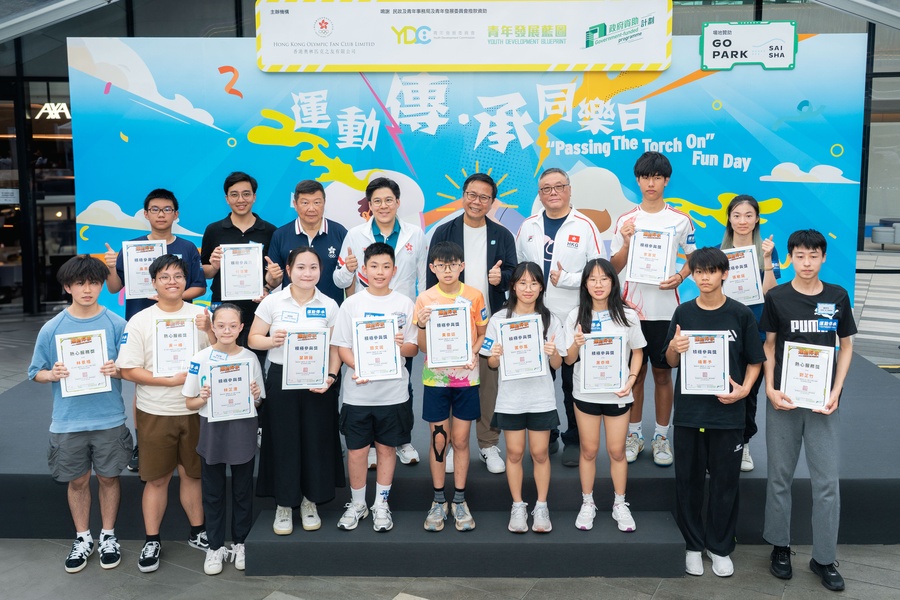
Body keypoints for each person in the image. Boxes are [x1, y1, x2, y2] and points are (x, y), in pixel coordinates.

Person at [761, 229, 856, 592]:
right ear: (791, 257)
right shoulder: (778, 297)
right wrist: (770, 388)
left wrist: (836, 390)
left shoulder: (837, 296)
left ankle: (825, 558)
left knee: (827, 483)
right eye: (799, 256)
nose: (806, 263)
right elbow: (769, 345)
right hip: (784, 400)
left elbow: (846, 346)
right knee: (779, 477)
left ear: (823, 257)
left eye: (813, 256)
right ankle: (780, 547)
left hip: (822, 404)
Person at [664, 247, 765, 578]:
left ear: (724, 274)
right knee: (688, 483)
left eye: (711, 271)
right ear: (692, 275)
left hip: (727, 415)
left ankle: (719, 547)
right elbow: (670, 361)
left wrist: (745, 390)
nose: (704, 278)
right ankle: (693, 546)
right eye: (698, 272)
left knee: (725, 484)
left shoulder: (740, 314)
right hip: (690, 414)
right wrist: (674, 348)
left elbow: (755, 360)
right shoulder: (683, 312)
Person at [28, 255, 133, 573]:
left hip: (109, 418)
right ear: (67, 287)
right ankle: (83, 537)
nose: (87, 289)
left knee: (109, 478)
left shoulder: (117, 324)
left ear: (102, 286)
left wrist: (118, 370)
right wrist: (52, 374)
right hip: (68, 420)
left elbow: (132, 368)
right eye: (79, 283)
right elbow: (35, 372)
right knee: (77, 481)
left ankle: (108, 536)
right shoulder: (52, 328)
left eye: (94, 283)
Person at [116, 254, 214, 573]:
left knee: (192, 474)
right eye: (165, 277)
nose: (172, 282)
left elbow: (220, 354)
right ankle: (152, 540)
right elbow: (128, 369)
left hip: (195, 409)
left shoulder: (201, 315)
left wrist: (211, 330)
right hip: (156, 410)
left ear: (187, 281)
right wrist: (168, 381)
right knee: (156, 479)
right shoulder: (140, 320)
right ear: (153, 283)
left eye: (178, 276)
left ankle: (198, 532)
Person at [104, 188, 207, 473]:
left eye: (167, 209)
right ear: (146, 214)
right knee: (144, 384)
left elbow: (199, 286)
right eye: (155, 209)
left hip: (179, 324)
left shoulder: (188, 247)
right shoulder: (131, 247)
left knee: (184, 377)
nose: (161, 214)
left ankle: (189, 440)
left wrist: (171, 296)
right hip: (143, 322)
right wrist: (111, 267)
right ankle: (143, 443)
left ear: (176, 214)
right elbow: (114, 288)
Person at [248, 247, 345, 536]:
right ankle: (284, 503)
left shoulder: (329, 305)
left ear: (321, 271)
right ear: (289, 270)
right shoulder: (273, 301)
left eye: (313, 267)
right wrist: (272, 341)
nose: (307, 273)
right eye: (300, 267)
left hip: (318, 380)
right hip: (282, 379)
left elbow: (335, 348)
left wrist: (331, 377)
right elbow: (253, 339)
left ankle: (309, 501)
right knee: (284, 441)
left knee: (316, 440)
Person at [610, 152, 696, 467]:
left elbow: (693, 258)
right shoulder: (626, 220)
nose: (651, 183)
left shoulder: (680, 220)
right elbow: (613, 267)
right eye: (646, 177)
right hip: (631, 311)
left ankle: (661, 436)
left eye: (657, 177)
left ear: (666, 180)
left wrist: (680, 277)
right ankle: (634, 434)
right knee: (635, 376)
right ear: (637, 180)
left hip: (665, 311)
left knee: (662, 375)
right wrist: (626, 243)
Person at [515, 167, 606, 467]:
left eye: (558, 186)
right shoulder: (527, 226)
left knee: (571, 382)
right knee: (540, 381)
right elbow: (520, 270)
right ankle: (548, 433)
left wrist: (566, 280)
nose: (552, 192)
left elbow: (601, 273)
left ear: (569, 190)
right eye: (546, 188)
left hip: (574, 317)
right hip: (536, 318)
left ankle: (575, 439)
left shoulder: (586, 226)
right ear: (539, 194)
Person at [334, 177, 427, 467]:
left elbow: (423, 278)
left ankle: (402, 440)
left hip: (401, 316)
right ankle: (373, 445)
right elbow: (339, 279)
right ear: (369, 205)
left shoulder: (415, 234)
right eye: (377, 201)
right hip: (367, 321)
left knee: (402, 380)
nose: (383, 206)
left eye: (388, 200)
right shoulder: (355, 235)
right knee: (367, 377)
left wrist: (420, 313)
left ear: (398, 202)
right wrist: (348, 270)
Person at [427, 173, 516, 474]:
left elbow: (514, 273)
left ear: (492, 202)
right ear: (463, 196)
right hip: (449, 326)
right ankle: (455, 444)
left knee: (488, 386)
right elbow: (431, 278)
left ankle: (488, 444)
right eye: (472, 195)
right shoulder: (444, 231)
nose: (477, 202)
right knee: (454, 385)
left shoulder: (502, 235)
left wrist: (501, 278)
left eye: (484, 197)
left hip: (487, 323)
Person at [331, 242, 418, 532]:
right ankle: (358, 504)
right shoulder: (352, 303)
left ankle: (381, 503)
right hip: (358, 393)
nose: (380, 272)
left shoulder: (404, 304)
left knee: (387, 449)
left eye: (386, 267)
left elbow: (413, 348)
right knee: (357, 452)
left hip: (393, 394)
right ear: (364, 270)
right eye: (374, 266)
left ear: (395, 270)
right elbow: (342, 346)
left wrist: (400, 345)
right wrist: (359, 367)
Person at [481, 262, 563, 533]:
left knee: (540, 453)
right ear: (513, 286)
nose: (528, 289)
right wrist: (496, 355)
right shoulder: (499, 320)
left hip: (541, 397)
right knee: (514, 453)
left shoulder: (551, 320)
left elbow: (558, 363)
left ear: (541, 288)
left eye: (534, 283)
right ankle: (517, 506)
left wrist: (552, 352)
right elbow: (491, 363)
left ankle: (542, 506)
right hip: (511, 398)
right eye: (523, 283)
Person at [564, 258, 645, 533]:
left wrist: (631, 380)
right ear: (585, 284)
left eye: (604, 279)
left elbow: (638, 352)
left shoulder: (628, 315)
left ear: (613, 282)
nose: (598, 285)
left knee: (617, 451)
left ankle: (620, 503)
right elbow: (568, 360)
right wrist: (575, 344)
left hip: (618, 394)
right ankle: (588, 502)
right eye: (592, 279)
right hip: (586, 393)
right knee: (588, 450)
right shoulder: (576, 316)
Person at [183, 304, 265, 575]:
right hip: (212, 431)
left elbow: (259, 401)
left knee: (242, 491)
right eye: (221, 325)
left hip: (242, 429)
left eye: (232, 326)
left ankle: (240, 543)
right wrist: (203, 397)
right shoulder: (201, 358)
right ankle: (215, 546)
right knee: (213, 492)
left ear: (241, 328)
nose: (226, 330)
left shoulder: (250, 358)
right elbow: (189, 402)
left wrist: (255, 395)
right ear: (213, 327)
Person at [415, 241, 488, 532]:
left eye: (453, 265)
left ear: (462, 266)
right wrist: (422, 325)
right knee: (439, 441)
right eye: (442, 265)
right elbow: (422, 346)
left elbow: (482, 333)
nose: (448, 270)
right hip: (436, 380)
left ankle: (459, 499)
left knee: (460, 440)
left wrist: (473, 352)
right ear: (432, 268)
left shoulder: (474, 296)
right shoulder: (425, 299)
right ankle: (437, 500)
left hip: (466, 379)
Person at [720, 194, 780, 471]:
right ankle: (719, 444)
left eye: (748, 215)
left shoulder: (767, 250)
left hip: (755, 330)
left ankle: (743, 444)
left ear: (757, 219)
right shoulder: (718, 253)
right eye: (737, 215)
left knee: (749, 391)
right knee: (720, 388)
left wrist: (766, 259)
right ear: (729, 219)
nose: (742, 221)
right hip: (723, 333)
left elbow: (770, 293)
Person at [200, 171, 277, 351]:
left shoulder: (270, 231)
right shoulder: (213, 230)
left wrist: (268, 287)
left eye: (246, 194)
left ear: (254, 197)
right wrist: (214, 266)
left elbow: (275, 276)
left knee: (256, 361)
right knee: (222, 359)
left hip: (258, 310)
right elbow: (206, 272)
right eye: (234, 194)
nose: (240, 199)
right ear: (227, 199)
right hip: (223, 310)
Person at [267, 179, 348, 306]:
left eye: (317, 202)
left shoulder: (339, 232)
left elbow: (348, 277)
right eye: (305, 203)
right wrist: (272, 277)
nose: (311, 208)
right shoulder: (281, 235)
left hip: (331, 310)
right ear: (295, 204)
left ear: (324, 203)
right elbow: (274, 281)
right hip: (291, 310)